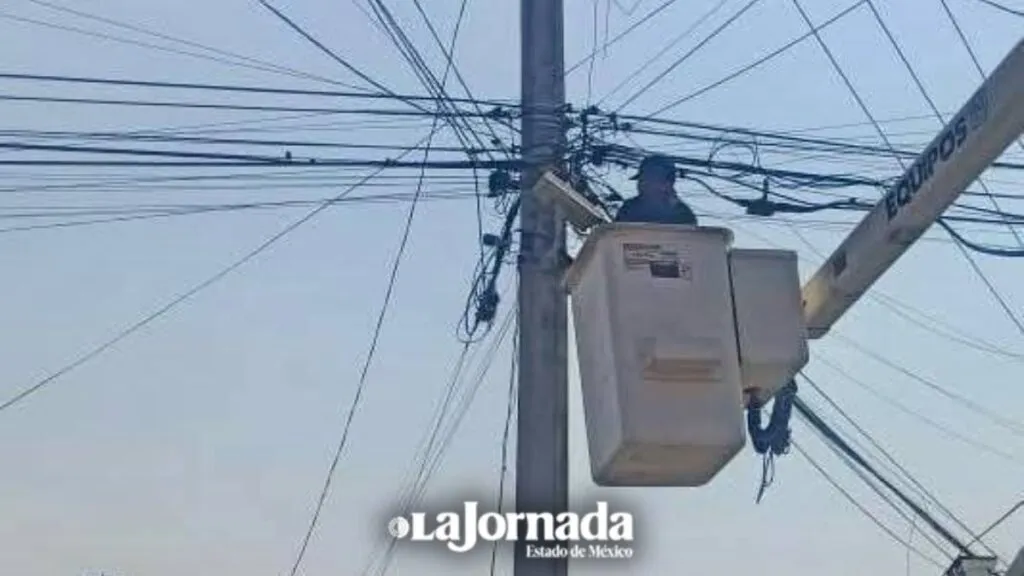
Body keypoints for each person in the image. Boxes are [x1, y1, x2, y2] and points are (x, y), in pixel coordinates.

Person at [614, 154, 698, 225]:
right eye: (641, 180)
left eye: (649, 179)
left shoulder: (682, 214)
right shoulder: (629, 208)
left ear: (667, 184)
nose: (642, 184)